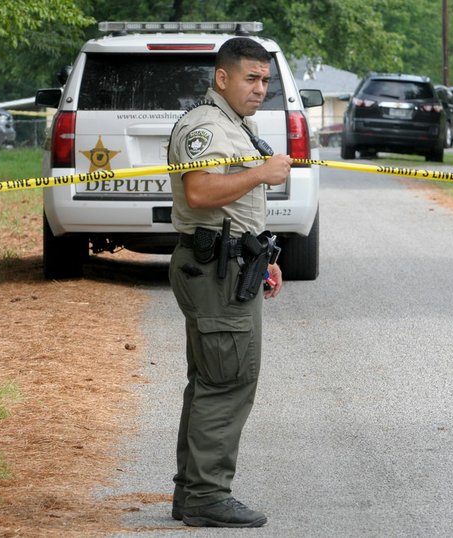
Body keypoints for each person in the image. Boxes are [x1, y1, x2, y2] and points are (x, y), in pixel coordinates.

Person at [166, 37, 291, 528]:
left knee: (212, 380)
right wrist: (261, 173)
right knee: (227, 381)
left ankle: (192, 492)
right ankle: (206, 496)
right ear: (222, 78)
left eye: (266, 80)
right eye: (251, 78)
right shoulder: (206, 126)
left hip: (233, 263)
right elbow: (200, 191)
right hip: (214, 271)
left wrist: (262, 253)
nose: (261, 89)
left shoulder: (235, 125)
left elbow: (231, 209)